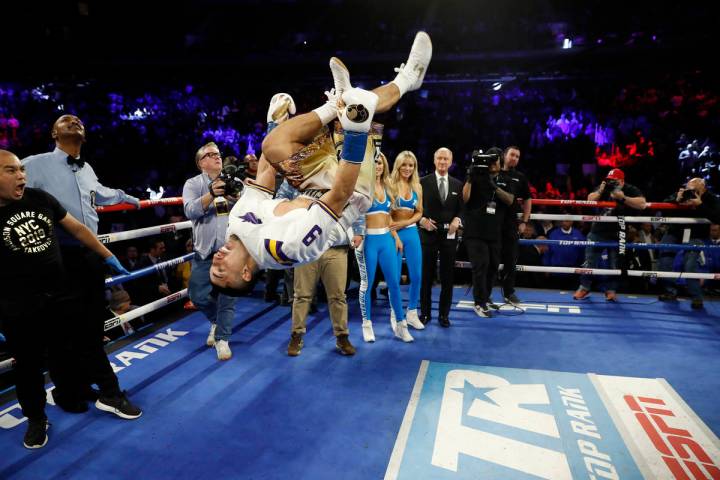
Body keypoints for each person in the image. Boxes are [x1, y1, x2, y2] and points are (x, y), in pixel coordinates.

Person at [210, 32, 432, 293]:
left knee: (272, 146)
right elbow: (339, 195)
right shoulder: (287, 248)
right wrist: (356, 132)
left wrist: (274, 124)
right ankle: (407, 79)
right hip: (350, 189)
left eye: (215, 265)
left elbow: (265, 176)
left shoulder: (234, 226)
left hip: (311, 180)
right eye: (221, 270)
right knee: (360, 106)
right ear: (246, 273)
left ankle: (333, 103)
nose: (217, 259)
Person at [0, 150, 140, 450]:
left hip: (61, 292)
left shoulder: (38, 198)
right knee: (27, 366)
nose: (21, 176)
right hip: (18, 303)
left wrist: (108, 255)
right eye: (11, 171)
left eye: (21, 170)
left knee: (85, 341)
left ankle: (109, 394)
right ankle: (36, 418)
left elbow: (76, 227)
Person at [22, 114, 142, 415]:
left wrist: (131, 198)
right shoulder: (34, 164)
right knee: (68, 327)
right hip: (58, 256)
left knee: (87, 324)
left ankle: (73, 388)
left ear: (84, 135)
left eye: (77, 120)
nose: (73, 121)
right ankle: (101, 391)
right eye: (65, 120)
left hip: (91, 255)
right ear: (53, 132)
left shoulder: (86, 168)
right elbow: (10, 189)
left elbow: (100, 194)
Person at [182, 141, 238, 359]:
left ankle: (223, 339)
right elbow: (189, 210)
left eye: (218, 154)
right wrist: (211, 194)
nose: (217, 157)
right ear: (201, 162)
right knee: (197, 294)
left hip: (230, 251)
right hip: (205, 250)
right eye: (211, 154)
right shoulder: (193, 184)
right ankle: (216, 322)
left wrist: (239, 198)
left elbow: (245, 210)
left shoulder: (233, 182)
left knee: (227, 298)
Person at [354, 152, 415, 343]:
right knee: (367, 284)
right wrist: (356, 236)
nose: (378, 166)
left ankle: (401, 325)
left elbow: (389, 216)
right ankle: (367, 324)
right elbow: (354, 214)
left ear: (384, 165)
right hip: (368, 242)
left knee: (394, 283)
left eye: (380, 162)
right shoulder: (361, 187)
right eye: (374, 163)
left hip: (386, 240)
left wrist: (395, 236)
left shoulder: (389, 186)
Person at [573, 168, 646, 301]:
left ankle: (611, 290)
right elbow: (589, 199)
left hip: (619, 231)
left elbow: (642, 204)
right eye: (609, 180)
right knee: (590, 260)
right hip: (598, 230)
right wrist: (600, 190)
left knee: (615, 264)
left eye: (614, 181)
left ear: (622, 181)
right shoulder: (605, 187)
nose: (611, 183)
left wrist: (623, 198)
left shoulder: (630, 189)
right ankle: (584, 288)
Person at [462, 148, 515, 317]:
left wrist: (493, 186)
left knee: (493, 267)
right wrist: (470, 177)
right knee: (481, 265)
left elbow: (510, 200)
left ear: (500, 163)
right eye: (490, 161)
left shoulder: (506, 179)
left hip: (494, 232)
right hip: (475, 231)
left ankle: (485, 298)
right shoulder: (476, 176)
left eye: (495, 161)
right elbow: (464, 198)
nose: (492, 164)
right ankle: (479, 303)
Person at [657, 178, 720, 309]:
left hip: (696, 234)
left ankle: (697, 296)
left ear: (704, 188)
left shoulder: (710, 198)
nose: (692, 192)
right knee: (665, 257)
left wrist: (700, 204)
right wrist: (676, 200)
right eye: (690, 189)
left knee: (690, 263)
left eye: (695, 190)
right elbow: (661, 209)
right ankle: (670, 291)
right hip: (675, 232)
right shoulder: (682, 193)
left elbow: (717, 217)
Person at [419, 147, 464, 327]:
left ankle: (444, 315)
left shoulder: (458, 184)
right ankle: (425, 313)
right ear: (434, 160)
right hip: (427, 233)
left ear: (451, 162)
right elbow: (415, 208)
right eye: (440, 158)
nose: (443, 162)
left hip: (449, 236)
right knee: (426, 276)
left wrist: (458, 219)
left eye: (446, 159)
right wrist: (421, 220)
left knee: (447, 277)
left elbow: (462, 209)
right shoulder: (422, 182)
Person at [288, 239, 356, 356]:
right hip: (307, 248)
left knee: (338, 297)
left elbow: (356, 219)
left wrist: (359, 232)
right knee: (301, 296)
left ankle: (342, 336)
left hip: (336, 248)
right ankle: (296, 336)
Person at [389, 150, 424, 329]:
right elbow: (384, 214)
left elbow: (419, 212)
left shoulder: (417, 186)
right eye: (404, 164)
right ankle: (395, 314)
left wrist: (406, 223)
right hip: (392, 234)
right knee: (394, 278)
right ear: (398, 165)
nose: (408, 168)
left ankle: (411, 312)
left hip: (410, 232)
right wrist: (396, 232)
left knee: (417, 275)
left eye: (411, 165)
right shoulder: (389, 184)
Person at [498, 146, 532, 305]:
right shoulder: (494, 172)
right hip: (492, 224)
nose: (514, 158)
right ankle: (484, 293)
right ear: (505, 155)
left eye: (517, 156)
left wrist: (524, 221)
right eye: (512, 155)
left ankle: (509, 292)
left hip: (511, 224)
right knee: (489, 260)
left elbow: (527, 199)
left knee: (511, 261)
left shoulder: (520, 177)